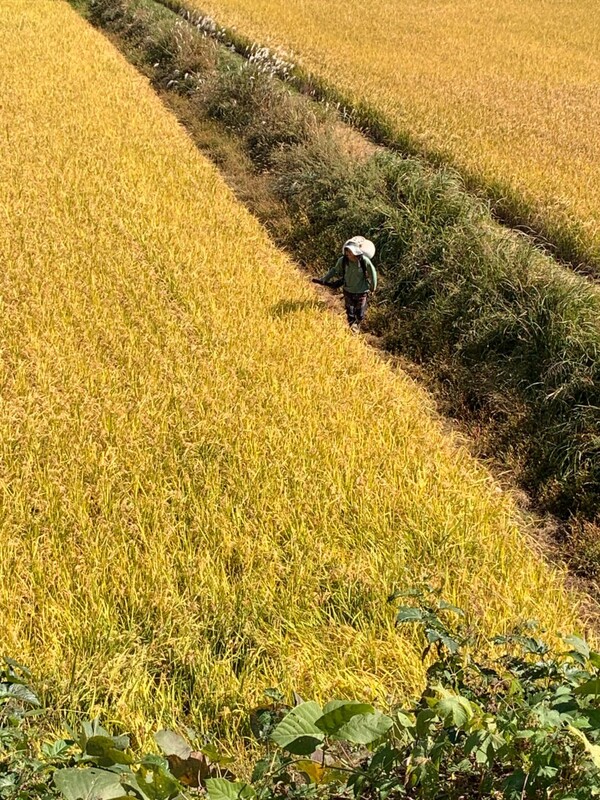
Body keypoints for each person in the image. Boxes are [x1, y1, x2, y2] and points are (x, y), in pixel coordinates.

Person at [313, 237, 377, 333]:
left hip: (362, 292)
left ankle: (357, 324)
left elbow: (373, 273)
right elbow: (334, 270)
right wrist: (324, 279)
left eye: (350, 252)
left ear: (356, 252)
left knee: (360, 313)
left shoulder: (364, 261)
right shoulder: (343, 261)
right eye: (347, 251)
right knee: (350, 312)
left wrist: (373, 287)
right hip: (348, 291)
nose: (348, 254)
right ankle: (352, 329)